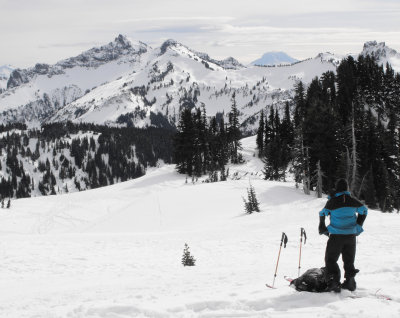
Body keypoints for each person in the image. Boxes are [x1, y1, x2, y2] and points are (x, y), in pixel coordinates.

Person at [318, 178, 368, 292]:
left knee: (331, 259)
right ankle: (350, 282)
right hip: (351, 236)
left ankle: (334, 281)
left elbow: (322, 213)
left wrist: (322, 226)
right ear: (347, 188)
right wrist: (359, 226)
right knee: (349, 260)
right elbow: (364, 211)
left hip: (336, 236)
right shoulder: (353, 200)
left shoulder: (332, 201)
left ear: (337, 188)